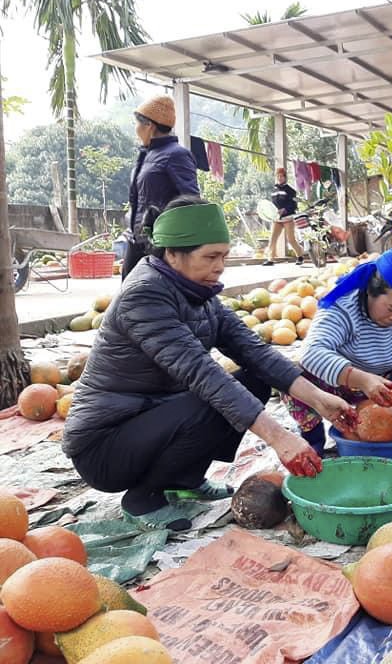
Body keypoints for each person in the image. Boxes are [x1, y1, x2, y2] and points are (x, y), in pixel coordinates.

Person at [63, 197, 356, 532]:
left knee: (254, 381)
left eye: (224, 257)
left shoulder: (199, 295)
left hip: (153, 417)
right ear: (173, 254)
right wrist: (279, 437)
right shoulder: (143, 296)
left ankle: (184, 477)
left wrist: (318, 399)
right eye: (210, 257)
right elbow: (201, 373)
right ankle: (142, 498)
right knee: (212, 397)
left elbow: (254, 352)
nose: (220, 267)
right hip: (105, 446)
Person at [283, 247, 392, 452]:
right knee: (293, 376)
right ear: (371, 290)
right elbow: (311, 352)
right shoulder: (343, 307)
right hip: (344, 385)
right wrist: (362, 379)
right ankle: (312, 444)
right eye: (391, 309)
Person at [123, 95, 200, 279]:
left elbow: (192, 200)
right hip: (137, 240)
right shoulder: (146, 155)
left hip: (162, 243)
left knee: (156, 296)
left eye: (138, 123)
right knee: (128, 296)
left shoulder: (176, 155)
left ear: (149, 125)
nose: (136, 129)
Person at [264, 168, 305, 266]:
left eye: (281, 176)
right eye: (278, 176)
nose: (279, 178)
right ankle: (270, 259)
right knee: (272, 239)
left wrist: (284, 209)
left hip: (288, 217)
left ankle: (300, 255)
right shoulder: (273, 190)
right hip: (277, 218)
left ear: (285, 177)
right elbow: (272, 204)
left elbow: (294, 205)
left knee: (291, 239)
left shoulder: (291, 191)